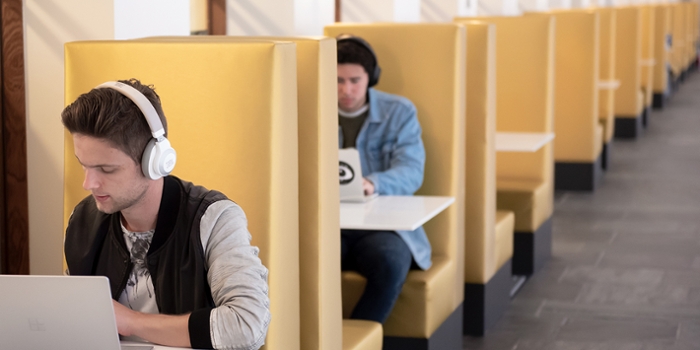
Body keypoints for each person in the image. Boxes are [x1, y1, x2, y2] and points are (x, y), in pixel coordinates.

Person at [62, 79, 270, 350]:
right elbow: (71, 314)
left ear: (154, 161)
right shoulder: (84, 221)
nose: (89, 184)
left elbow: (247, 326)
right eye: (85, 166)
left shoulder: (214, 219)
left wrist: (130, 322)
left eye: (106, 169)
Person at [337, 35, 430, 324]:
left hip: (382, 228)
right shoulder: (310, 110)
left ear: (371, 78)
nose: (346, 90)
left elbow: (412, 171)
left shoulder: (399, 112)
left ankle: (356, 340)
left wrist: (373, 183)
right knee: (299, 260)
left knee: (390, 263)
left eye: (355, 80)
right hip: (330, 225)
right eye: (337, 80)